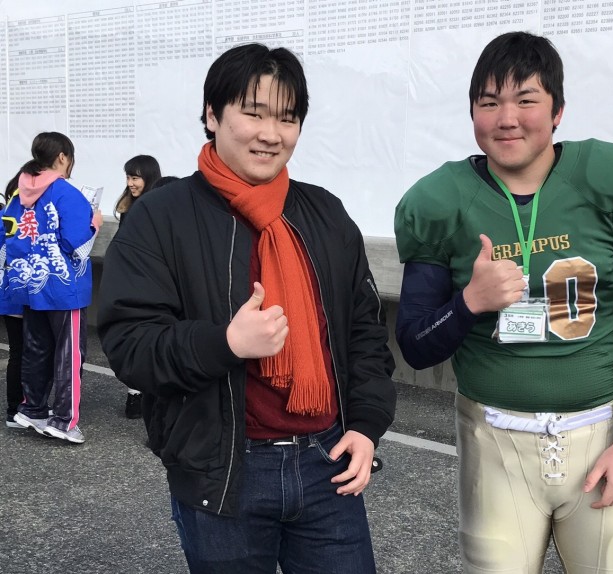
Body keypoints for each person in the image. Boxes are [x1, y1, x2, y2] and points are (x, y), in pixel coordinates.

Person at [97, 43, 396, 573]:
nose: (271, 133)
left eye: (287, 118)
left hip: (327, 461)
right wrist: (226, 343)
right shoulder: (160, 218)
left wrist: (368, 425)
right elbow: (130, 344)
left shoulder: (324, 214)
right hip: (224, 471)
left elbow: (365, 332)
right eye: (253, 113)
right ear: (212, 115)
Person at [394, 32, 613, 573]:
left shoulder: (610, 182)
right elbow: (415, 346)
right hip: (495, 443)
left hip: (600, 436)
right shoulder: (440, 201)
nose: (507, 119)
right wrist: (469, 302)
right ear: (472, 111)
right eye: (489, 102)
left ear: (558, 110)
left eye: (526, 100)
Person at [1, 132, 103, 444]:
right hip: (63, 288)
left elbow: (7, 238)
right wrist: (95, 223)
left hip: (30, 286)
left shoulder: (19, 194)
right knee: (69, 354)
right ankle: (63, 420)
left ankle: (32, 409)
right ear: (62, 157)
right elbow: (77, 244)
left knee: (36, 350)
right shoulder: (65, 193)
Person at [114, 154, 162, 419]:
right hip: (132, 284)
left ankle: (145, 397)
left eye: (135, 178)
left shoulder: (157, 205)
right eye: (128, 177)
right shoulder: (128, 208)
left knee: (149, 341)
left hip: (152, 286)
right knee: (135, 341)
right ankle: (135, 395)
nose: (130, 183)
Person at [1, 169, 24, 429]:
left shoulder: (4, 216)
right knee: (27, 353)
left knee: (19, 352)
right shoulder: (19, 218)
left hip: (9, 293)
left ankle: (15, 409)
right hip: (22, 294)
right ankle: (18, 408)